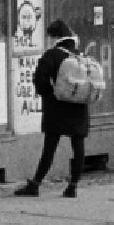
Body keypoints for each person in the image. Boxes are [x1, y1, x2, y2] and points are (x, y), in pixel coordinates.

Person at [14, 19, 90, 199]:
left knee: (50, 147)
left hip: (56, 108)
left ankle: (36, 184)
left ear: (54, 37)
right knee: (78, 145)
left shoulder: (51, 55)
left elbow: (40, 81)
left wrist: (49, 95)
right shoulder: (79, 54)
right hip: (79, 107)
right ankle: (73, 186)